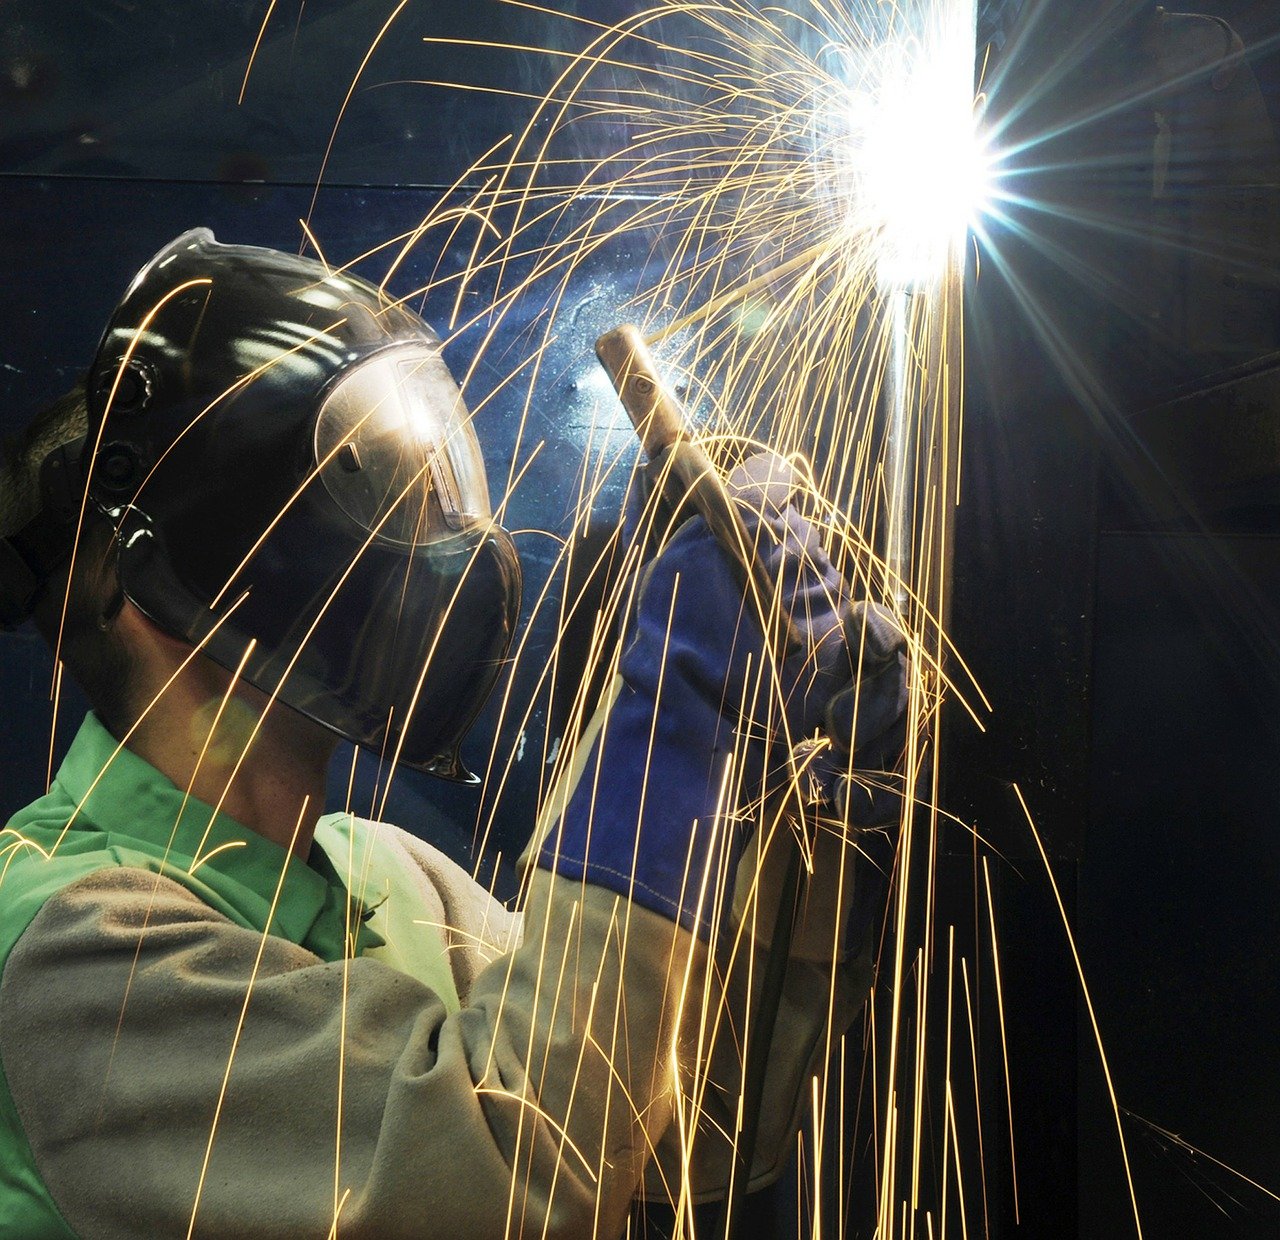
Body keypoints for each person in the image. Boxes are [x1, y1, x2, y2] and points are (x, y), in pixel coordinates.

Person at [0, 230, 909, 1238]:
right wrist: (670, 716)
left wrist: (797, 801)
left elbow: (689, 1115)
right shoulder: (66, 949)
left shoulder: (392, 877)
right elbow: (512, 1177)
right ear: (165, 569)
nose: (432, 529)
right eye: (369, 483)